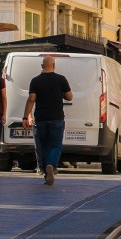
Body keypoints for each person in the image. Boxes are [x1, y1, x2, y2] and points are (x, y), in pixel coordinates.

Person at [23, 55, 72, 185]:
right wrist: (60, 93)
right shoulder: (61, 79)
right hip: (57, 118)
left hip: (41, 118)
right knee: (56, 145)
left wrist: (25, 116)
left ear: (42, 66)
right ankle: (51, 165)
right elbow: (70, 97)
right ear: (54, 65)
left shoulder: (35, 81)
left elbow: (31, 99)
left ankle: (46, 172)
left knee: (44, 147)